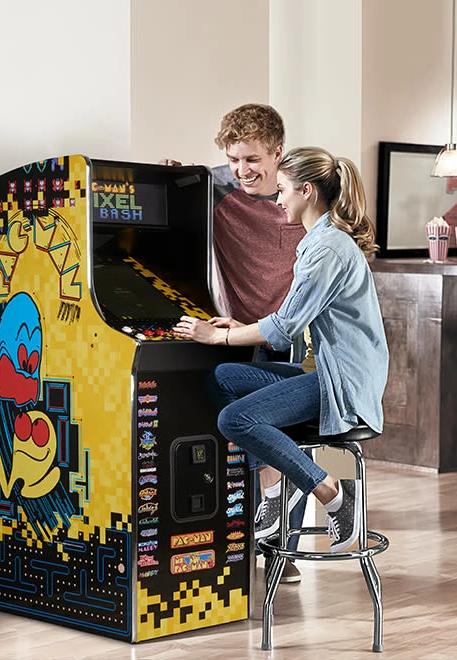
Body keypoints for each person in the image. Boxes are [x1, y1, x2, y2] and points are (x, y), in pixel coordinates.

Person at [171, 146, 389, 553]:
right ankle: (273, 490)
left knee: (235, 419)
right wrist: (241, 327)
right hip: (329, 371)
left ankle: (332, 492)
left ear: (307, 191)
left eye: (283, 189)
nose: (277, 200)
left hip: (343, 382)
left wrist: (217, 337)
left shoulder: (327, 250)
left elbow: (284, 329)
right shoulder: (320, 241)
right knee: (224, 377)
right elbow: (290, 321)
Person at [164, 104, 309, 581]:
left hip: (292, 335)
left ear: (277, 153)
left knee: (290, 439)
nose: (242, 170)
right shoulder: (216, 186)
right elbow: (172, 193)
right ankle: (256, 537)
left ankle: (284, 556)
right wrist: (172, 178)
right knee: (249, 432)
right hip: (237, 333)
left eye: (252, 160)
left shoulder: (302, 194)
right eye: (233, 159)